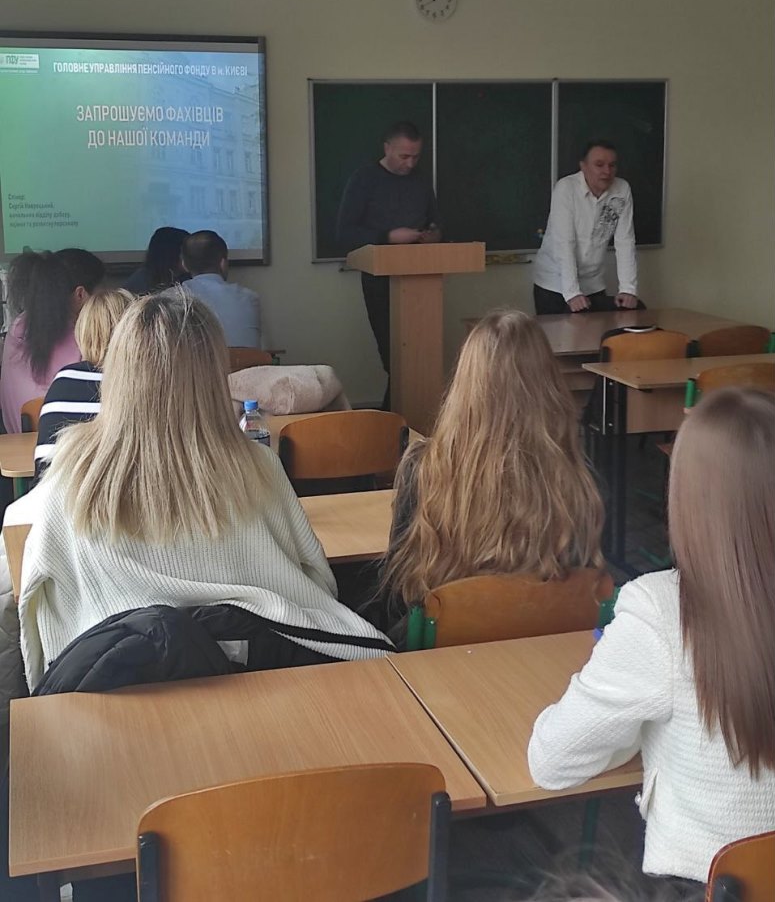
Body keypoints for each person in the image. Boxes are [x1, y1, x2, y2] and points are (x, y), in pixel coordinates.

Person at [17, 288, 393, 689]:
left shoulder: (68, 477)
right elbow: (317, 579)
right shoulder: (260, 466)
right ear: (216, 376)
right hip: (263, 676)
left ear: (116, 371)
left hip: (112, 684)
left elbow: (35, 610)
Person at [528, 388, 775, 883]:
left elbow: (552, 763)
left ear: (685, 496)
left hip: (707, 886)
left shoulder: (660, 612)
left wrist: (640, 725)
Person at [377, 309, 605, 639]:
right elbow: (583, 587)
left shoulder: (423, 467)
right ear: (549, 383)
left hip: (445, 650)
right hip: (544, 647)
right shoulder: (575, 477)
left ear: (465, 382)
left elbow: (397, 594)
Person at [337, 121, 439, 409]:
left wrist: (433, 234)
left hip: (422, 279)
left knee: (418, 358)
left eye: (416, 156)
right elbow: (344, 233)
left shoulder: (421, 182)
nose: (410, 163)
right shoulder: (364, 179)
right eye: (404, 156)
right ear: (387, 148)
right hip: (380, 282)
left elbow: (435, 221)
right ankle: (394, 421)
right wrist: (388, 237)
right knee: (396, 359)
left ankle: (396, 422)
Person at [0, 248, 105, 433]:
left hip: (16, 441)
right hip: (67, 443)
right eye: (101, 296)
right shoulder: (82, 336)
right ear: (80, 294)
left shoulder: (19, 327)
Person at [33, 288, 134, 479]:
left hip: (56, 494)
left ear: (82, 333)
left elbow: (42, 469)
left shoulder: (63, 380)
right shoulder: (141, 380)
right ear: (134, 330)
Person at [533, 140, 639, 315]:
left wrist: (628, 289)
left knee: (598, 330)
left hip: (593, 283)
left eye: (612, 165)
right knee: (559, 333)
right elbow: (565, 243)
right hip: (554, 282)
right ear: (583, 166)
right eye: (599, 165)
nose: (607, 171)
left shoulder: (622, 189)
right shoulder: (566, 188)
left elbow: (625, 241)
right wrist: (572, 293)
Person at [182, 230, 262, 348]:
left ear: (184, 265)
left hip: (194, 361)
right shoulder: (250, 298)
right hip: (245, 360)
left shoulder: (170, 300)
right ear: (223, 263)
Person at [125, 226, 190, 294]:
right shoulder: (141, 280)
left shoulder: (190, 278)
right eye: (186, 251)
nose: (191, 255)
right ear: (171, 253)